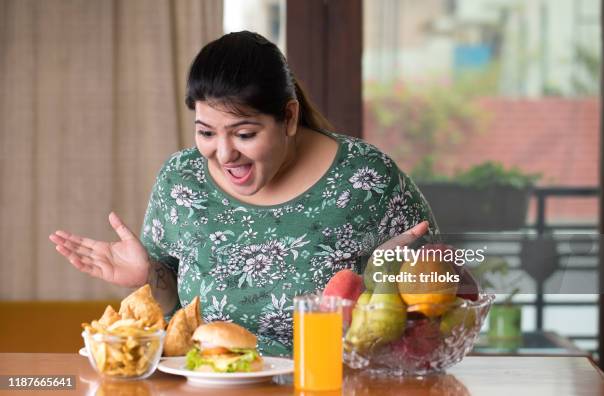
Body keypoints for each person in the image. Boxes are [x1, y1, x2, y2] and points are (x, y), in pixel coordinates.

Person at [49, 31, 439, 356]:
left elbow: (439, 301)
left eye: (244, 134)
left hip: (328, 384)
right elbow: (173, 315)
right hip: (204, 383)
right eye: (206, 132)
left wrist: (392, 278)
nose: (223, 153)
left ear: (288, 117)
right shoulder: (181, 179)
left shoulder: (363, 176)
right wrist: (147, 276)